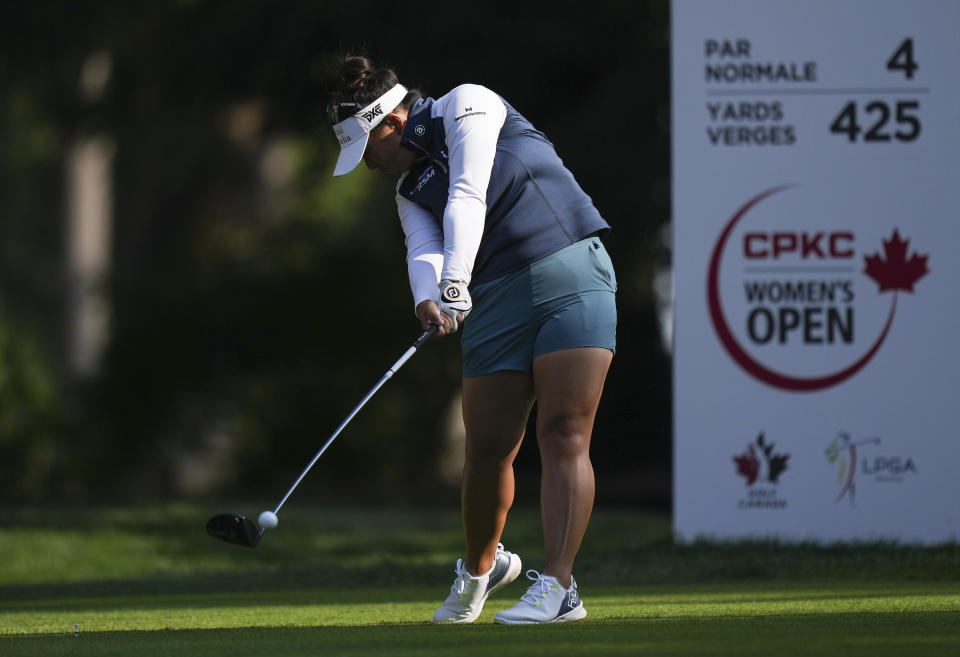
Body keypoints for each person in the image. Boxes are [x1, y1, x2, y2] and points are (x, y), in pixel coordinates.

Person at [326, 55, 616, 624]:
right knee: (487, 448)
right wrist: (429, 299)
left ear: (390, 123)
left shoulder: (468, 103)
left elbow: (468, 191)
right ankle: (481, 572)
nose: (367, 166)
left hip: (569, 271)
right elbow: (422, 251)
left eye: (367, 151)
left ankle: (559, 588)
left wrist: (456, 280)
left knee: (562, 432)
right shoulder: (408, 188)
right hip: (494, 300)